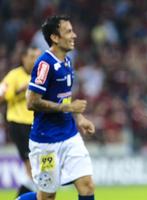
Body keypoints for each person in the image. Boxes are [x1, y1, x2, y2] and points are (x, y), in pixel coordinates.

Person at [17, 15, 96, 200]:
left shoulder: (67, 62)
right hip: (46, 142)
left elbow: (65, 99)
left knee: (87, 185)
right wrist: (65, 109)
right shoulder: (45, 64)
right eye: (68, 31)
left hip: (70, 136)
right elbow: (31, 102)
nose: (74, 35)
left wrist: (79, 117)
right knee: (47, 196)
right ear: (55, 37)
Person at [0, 46, 41, 196]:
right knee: (33, 169)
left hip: (37, 126)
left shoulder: (41, 77)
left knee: (38, 170)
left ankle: (22, 197)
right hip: (19, 125)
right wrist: (20, 90)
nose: (35, 60)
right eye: (32, 57)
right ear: (24, 58)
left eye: (38, 57)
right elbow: (1, 96)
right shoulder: (13, 76)